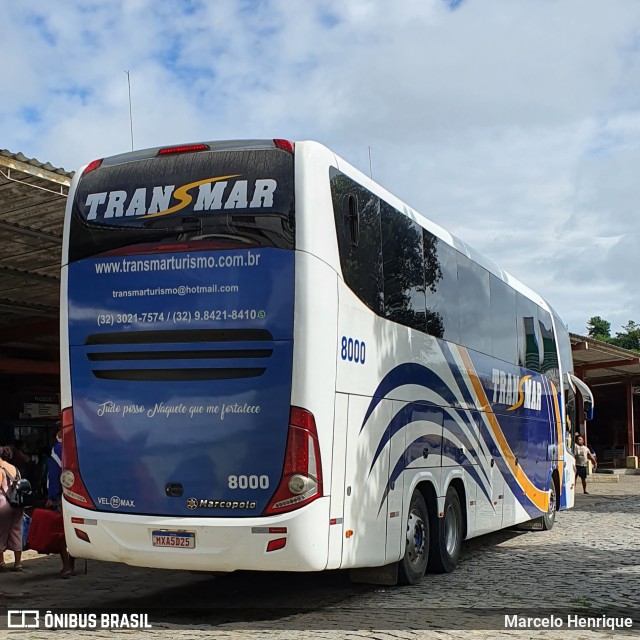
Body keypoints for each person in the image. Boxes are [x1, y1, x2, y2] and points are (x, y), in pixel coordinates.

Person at [46, 425, 75, 578]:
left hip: (62, 496)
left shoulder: (57, 449)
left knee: (62, 532)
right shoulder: (77, 446)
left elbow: (54, 473)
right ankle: (72, 563)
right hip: (78, 493)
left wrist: (51, 496)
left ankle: (67, 566)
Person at [0, 445, 25, 571]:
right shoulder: (15, 468)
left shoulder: (0, 469)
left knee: (1, 533)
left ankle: (1, 562)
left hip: (3, 504)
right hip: (17, 504)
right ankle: (18, 563)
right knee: (17, 532)